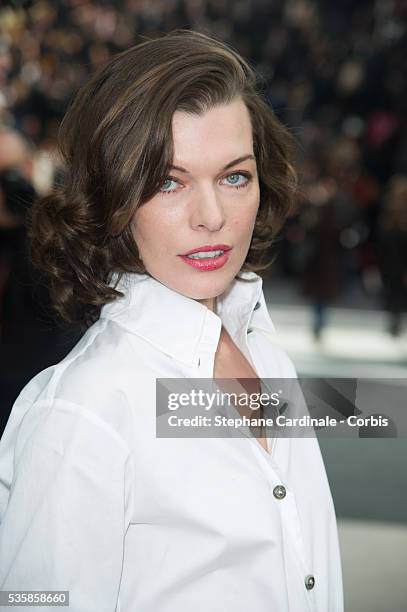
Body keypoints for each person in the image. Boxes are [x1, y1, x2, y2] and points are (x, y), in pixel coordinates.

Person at [0, 29, 343, 612]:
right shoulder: (85, 411)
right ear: (113, 198)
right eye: (168, 182)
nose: (211, 217)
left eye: (235, 176)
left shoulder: (263, 348)